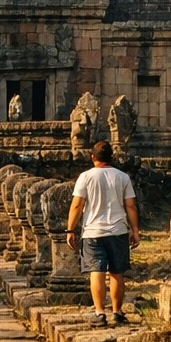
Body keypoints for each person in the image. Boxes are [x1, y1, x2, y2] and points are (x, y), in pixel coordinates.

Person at [64, 140, 140, 326]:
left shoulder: (85, 177)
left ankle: (99, 312)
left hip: (93, 231)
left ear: (92, 158)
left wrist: (70, 229)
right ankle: (117, 311)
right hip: (118, 230)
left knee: (96, 271)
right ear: (111, 158)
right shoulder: (122, 177)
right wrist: (135, 230)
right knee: (117, 272)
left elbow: (77, 205)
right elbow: (130, 205)